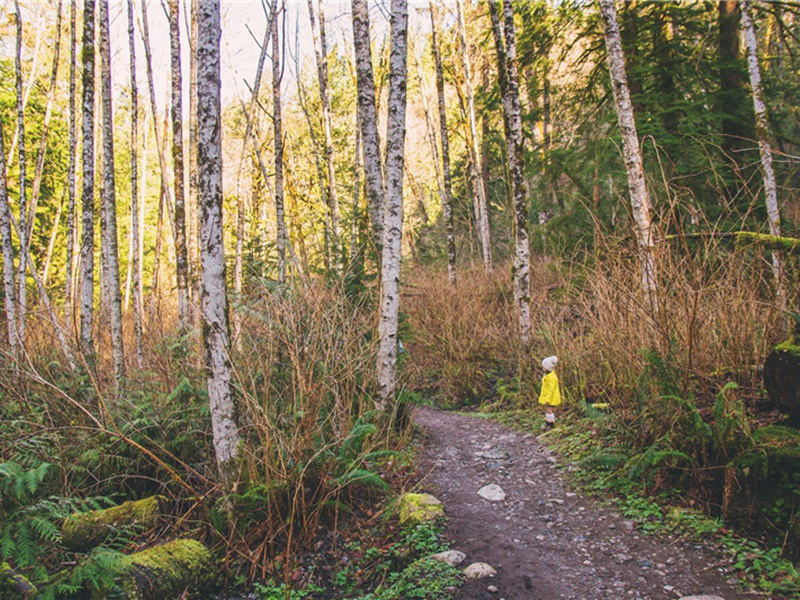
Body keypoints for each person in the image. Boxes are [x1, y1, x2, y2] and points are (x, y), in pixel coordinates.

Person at [538, 355, 561, 429]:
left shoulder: (552, 377)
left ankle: (550, 425)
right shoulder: (548, 376)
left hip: (551, 398)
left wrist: (547, 399)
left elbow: (551, 390)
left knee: (549, 411)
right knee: (548, 410)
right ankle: (548, 424)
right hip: (550, 397)